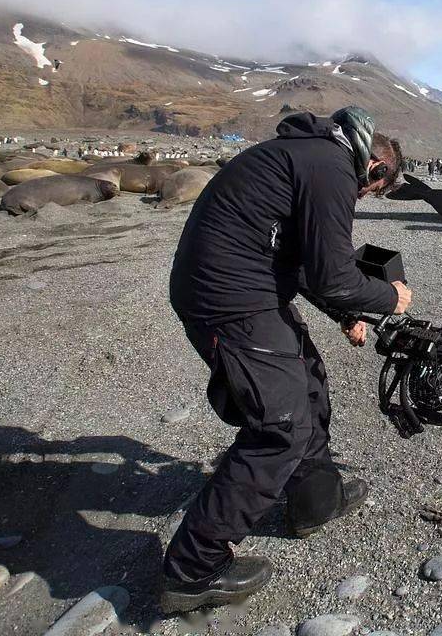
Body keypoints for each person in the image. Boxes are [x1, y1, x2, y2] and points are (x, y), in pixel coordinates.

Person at [161, 107, 412, 613]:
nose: (366, 199)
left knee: (309, 382)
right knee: (279, 427)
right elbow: (332, 274)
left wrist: (344, 314)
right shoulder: (333, 167)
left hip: (245, 288)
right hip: (230, 300)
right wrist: (390, 298)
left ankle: (312, 500)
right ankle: (191, 570)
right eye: (375, 192)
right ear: (376, 170)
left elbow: (297, 259)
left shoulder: (311, 155)